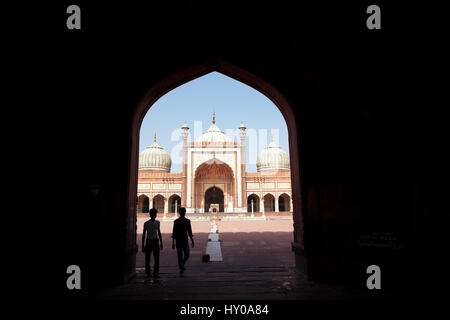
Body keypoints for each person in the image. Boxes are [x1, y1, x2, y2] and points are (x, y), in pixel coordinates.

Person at [172, 207, 194, 274]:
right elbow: (174, 232)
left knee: (187, 254)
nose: (183, 213)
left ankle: (182, 264)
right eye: (182, 212)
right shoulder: (176, 221)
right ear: (180, 213)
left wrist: (192, 240)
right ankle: (181, 268)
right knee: (179, 255)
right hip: (178, 240)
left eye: (184, 212)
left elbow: (189, 231)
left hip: (185, 240)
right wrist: (173, 242)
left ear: (185, 212)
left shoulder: (187, 221)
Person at [142, 208, 163, 278]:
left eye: (155, 214)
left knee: (156, 258)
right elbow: (144, 234)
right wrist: (143, 245)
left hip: (155, 241)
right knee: (147, 258)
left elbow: (159, 233)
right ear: (150, 214)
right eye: (153, 214)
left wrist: (161, 242)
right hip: (148, 241)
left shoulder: (158, 222)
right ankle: (148, 273)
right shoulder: (146, 223)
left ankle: (155, 273)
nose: (154, 215)